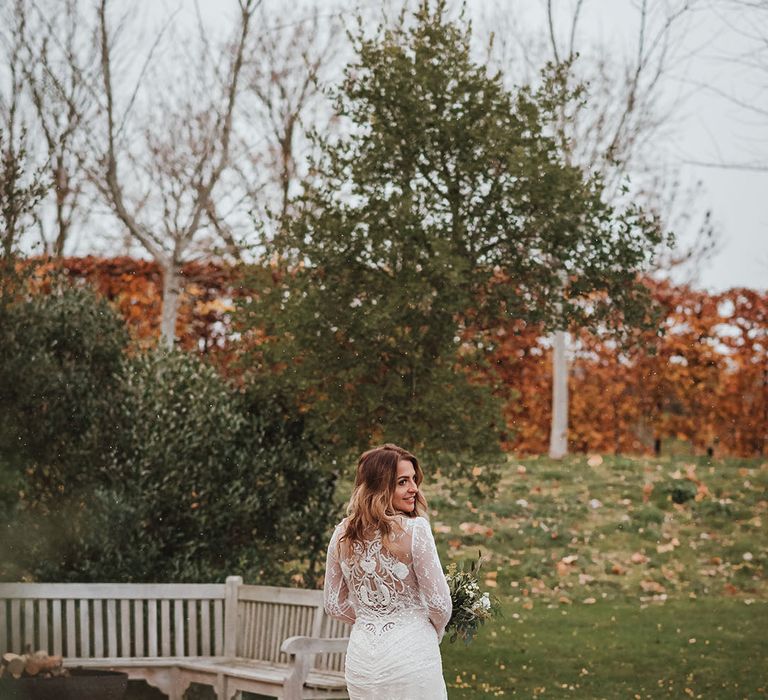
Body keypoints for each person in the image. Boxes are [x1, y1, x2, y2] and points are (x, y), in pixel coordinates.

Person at [323, 443, 452, 699]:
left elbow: (333, 605)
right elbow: (440, 604)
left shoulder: (341, 534)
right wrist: (428, 629)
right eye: (403, 482)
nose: (414, 488)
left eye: (414, 479)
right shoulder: (416, 530)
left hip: (361, 660)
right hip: (411, 655)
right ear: (380, 487)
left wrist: (370, 618)